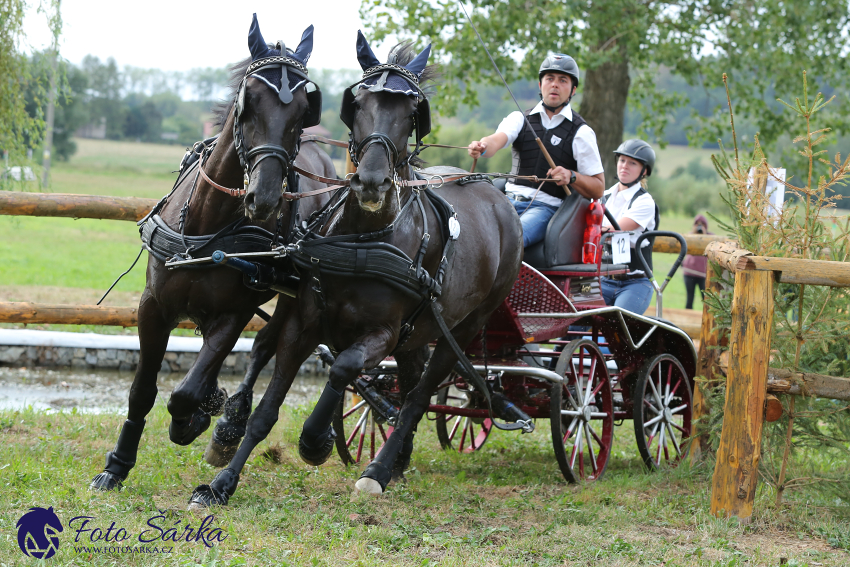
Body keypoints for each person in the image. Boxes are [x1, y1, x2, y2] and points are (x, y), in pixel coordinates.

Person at [467, 54, 605, 248]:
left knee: (509, 241)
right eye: (549, 79)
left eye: (562, 80)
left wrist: (572, 176)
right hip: (506, 201)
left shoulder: (581, 133)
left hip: (544, 209)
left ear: (573, 90)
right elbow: (495, 141)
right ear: (540, 85)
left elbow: (598, 187)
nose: (555, 85)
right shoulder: (519, 118)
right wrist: (482, 146)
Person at [600, 139, 659, 315]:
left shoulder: (644, 201)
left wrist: (595, 227)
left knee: (618, 325)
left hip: (636, 282)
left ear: (644, 171)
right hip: (603, 278)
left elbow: (614, 228)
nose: (624, 166)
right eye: (622, 160)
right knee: (574, 323)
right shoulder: (604, 196)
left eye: (632, 163)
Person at [682, 214, 711, 309]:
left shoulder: (710, 237)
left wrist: (704, 234)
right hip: (689, 272)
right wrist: (694, 233)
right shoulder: (690, 235)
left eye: (702, 224)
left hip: (703, 274)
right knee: (689, 298)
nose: (699, 227)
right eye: (697, 224)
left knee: (706, 299)